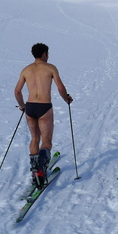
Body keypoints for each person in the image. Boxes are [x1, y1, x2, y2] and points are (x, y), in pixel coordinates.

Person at [14, 43, 73, 188]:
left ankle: (35, 170)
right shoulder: (50, 68)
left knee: (35, 138)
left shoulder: (26, 70)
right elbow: (60, 87)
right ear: (44, 54)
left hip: (30, 107)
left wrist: (22, 106)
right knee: (46, 140)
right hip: (44, 107)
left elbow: (17, 91)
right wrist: (67, 99)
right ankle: (41, 167)